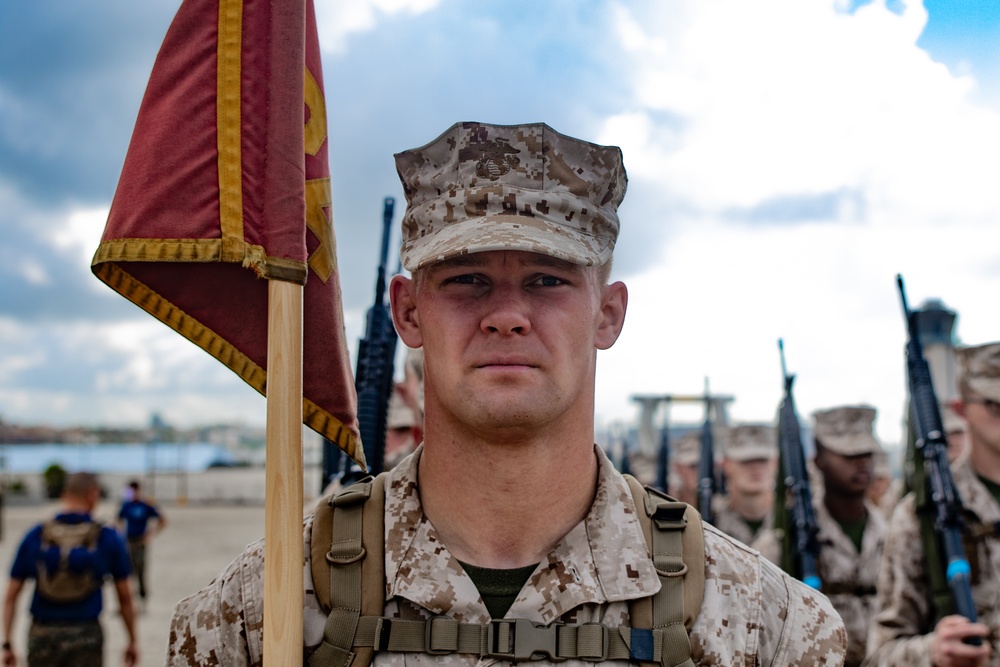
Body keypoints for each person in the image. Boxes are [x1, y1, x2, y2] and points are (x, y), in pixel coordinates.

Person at [167, 121, 846, 665]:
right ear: (407, 312)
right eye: (466, 279)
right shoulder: (260, 616)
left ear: (608, 313)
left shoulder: (764, 626)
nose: (508, 314)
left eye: (548, 280)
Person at [867, 342, 1000, 666]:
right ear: (960, 408)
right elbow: (880, 655)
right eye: (995, 405)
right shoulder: (920, 516)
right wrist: (931, 652)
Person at [2, 471, 137, 666]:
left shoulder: (37, 535)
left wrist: (7, 643)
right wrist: (131, 640)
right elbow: (125, 596)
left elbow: (11, 596)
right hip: (86, 634)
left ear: (65, 495)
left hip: (43, 634)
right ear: (92, 494)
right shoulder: (107, 537)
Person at [807, 405, 887, 667]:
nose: (862, 462)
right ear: (818, 459)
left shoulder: (894, 534)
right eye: (848, 454)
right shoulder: (793, 541)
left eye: (866, 452)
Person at [712, 424, 778, 550]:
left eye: (762, 460)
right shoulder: (710, 519)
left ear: (775, 463)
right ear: (726, 464)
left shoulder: (792, 518)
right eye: (745, 461)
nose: (755, 468)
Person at [117, 479, 167, 604]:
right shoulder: (126, 505)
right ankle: (128, 600)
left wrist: (151, 534)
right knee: (127, 570)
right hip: (128, 541)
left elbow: (162, 520)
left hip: (140, 542)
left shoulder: (145, 505)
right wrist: (120, 534)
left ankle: (143, 598)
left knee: (140, 570)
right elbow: (118, 519)